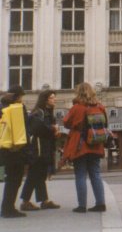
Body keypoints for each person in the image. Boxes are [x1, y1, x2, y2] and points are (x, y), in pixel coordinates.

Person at [62, 82, 107, 214]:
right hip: (96, 143)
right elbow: (106, 123)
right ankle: (101, 203)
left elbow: (66, 122)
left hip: (80, 145)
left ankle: (82, 206)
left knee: (80, 174)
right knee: (96, 174)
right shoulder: (100, 107)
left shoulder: (76, 108)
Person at [20, 90, 61, 211]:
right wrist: (52, 128)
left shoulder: (47, 112)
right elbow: (37, 129)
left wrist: (54, 132)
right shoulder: (39, 113)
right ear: (46, 100)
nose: (55, 100)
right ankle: (25, 201)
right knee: (34, 174)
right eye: (52, 98)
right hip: (38, 149)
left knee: (40, 174)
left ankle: (44, 200)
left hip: (45, 148)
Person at [1, 85, 30, 218]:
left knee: (11, 178)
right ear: (18, 96)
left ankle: (7, 207)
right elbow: (23, 128)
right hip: (16, 149)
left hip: (5, 147)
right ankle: (8, 208)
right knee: (15, 178)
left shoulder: (2, 106)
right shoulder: (17, 108)